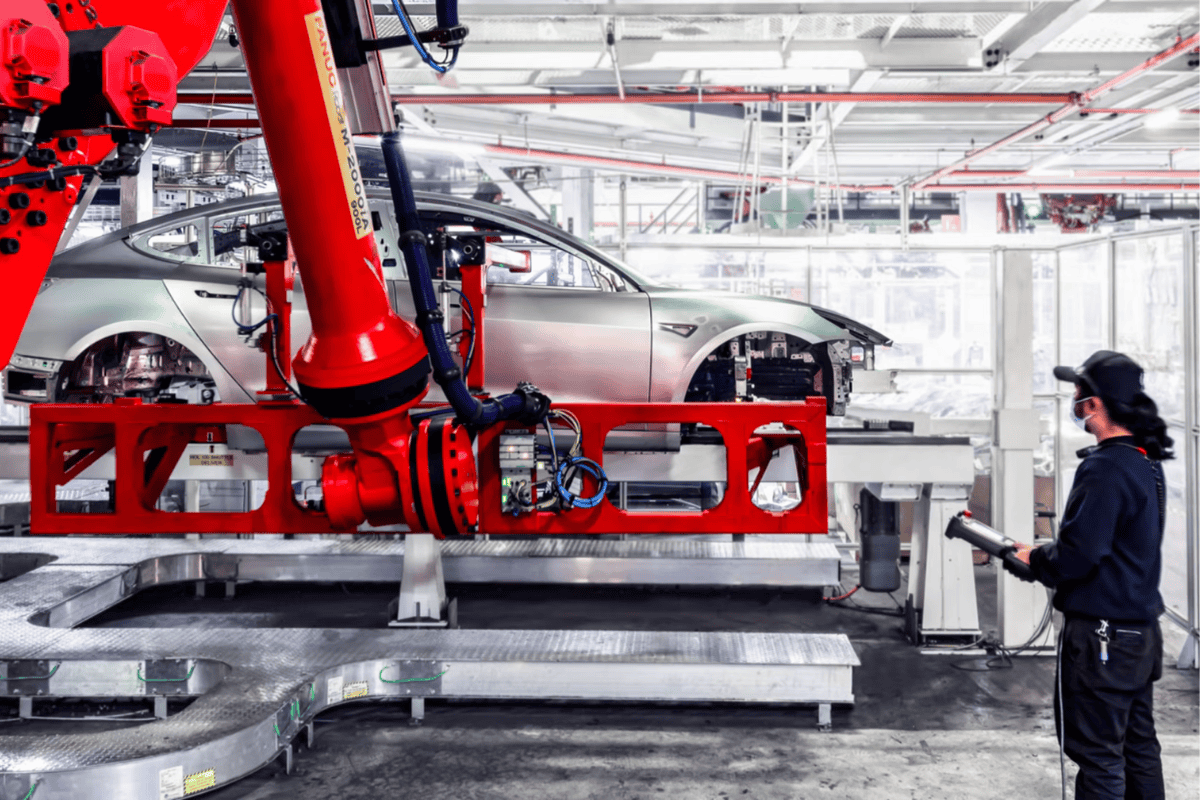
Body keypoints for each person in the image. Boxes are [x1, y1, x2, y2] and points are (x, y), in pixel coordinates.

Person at [1008, 349, 1172, 800]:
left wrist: (1035, 560)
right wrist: (1045, 557)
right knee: (1138, 748)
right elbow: (1111, 545)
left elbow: (1080, 555)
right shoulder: (1144, 460)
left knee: (1098, 755)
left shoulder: (1105, 468)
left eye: (1078, 392)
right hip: (1140, 635)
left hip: (1104, 639)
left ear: (1094, 403)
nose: (1075, 402)